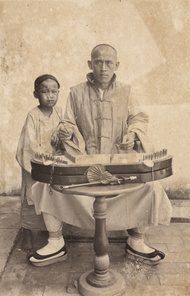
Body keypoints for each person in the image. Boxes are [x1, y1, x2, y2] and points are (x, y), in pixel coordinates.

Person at [28, 44, 172, 266]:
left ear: (117, 65)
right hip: (84, 163)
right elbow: (67, 122)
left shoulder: (127, 90)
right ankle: (56, 241)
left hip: (118, 163)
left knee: (151, 187)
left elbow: (138, 118)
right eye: (98, 62)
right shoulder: (75, 92)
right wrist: (66, 130)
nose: (103, 68)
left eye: (109, 63)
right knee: (46, 186)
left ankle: (136, 240)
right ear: (90, 64)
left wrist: (132, 134)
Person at [16, 74, 63, 252]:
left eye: (54, 91)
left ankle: (52, 234)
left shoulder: (60, 113)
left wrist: (64, 138)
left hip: (54, 166)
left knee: (52, 199)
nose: (50, 95)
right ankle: (28, 236)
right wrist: (42, 160)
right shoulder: (33, 116)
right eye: (44, 91)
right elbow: (29, 144)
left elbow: (66, 135)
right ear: (36, 94)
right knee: (32, 200)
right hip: (36, 167)